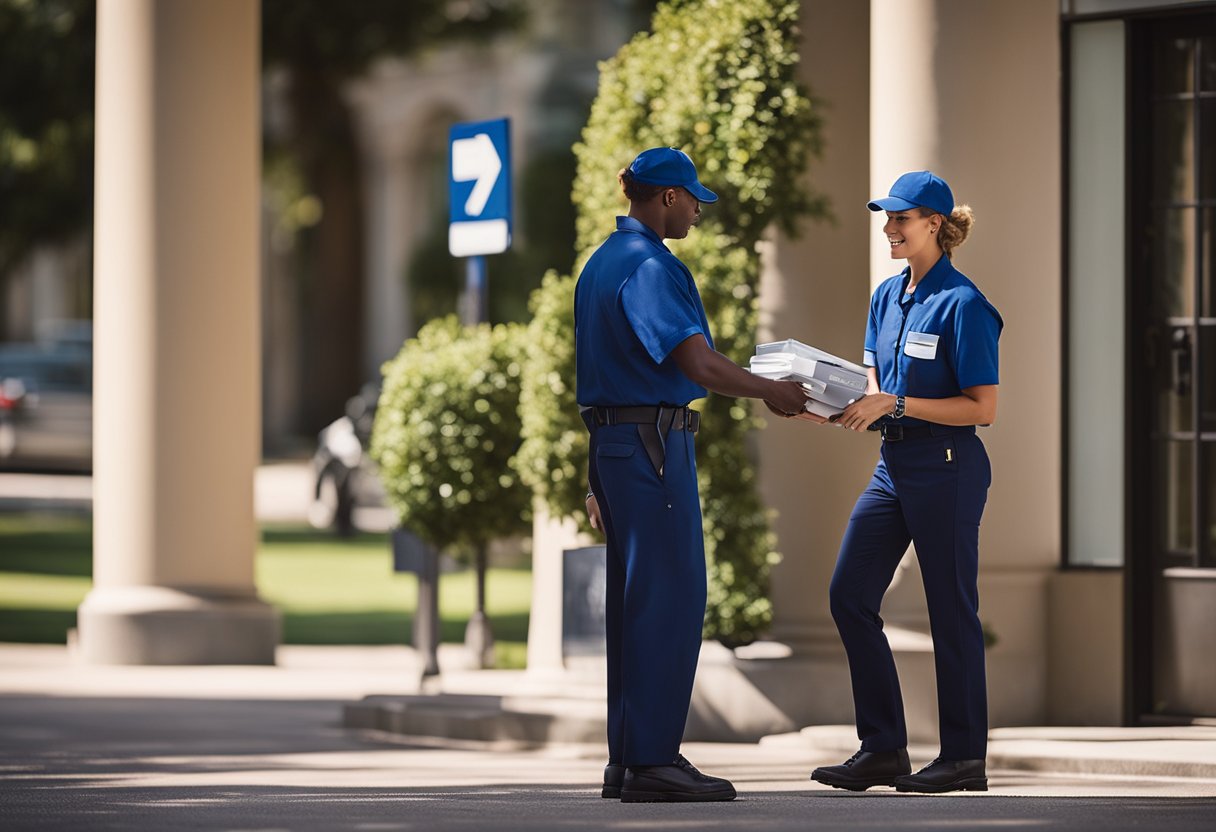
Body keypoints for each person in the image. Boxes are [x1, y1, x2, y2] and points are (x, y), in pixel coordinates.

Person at [575, 146, 811, 803]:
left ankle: (628, 759)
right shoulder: (650, 265)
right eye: (693, 199)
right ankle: (653, 761)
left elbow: (598, 375)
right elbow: (698, 365)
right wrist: (772, 392)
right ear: (667, 198)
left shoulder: (601, 263)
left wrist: (594, 473)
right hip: (653, 446)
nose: (700, 210)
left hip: (615, 444)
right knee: (669, 599)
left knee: (633, 604)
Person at [806, 171, 1002, 794]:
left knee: (951, 611)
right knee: (850, 595)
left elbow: (982, 409)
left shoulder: (965, 304)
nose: (889, 229)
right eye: (887, 219)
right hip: (893, 466)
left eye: (901, 219)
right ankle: (884, 748)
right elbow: (874, 385)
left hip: (948, 467)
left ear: (935, 226)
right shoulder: (886, 297)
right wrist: (834, 401)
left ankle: (964, 758)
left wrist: (894, 405)